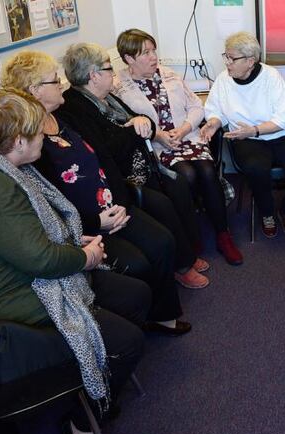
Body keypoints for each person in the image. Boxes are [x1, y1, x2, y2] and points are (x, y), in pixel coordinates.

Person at [0, 89, 149, 434]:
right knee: (129, 342)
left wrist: (77, 241)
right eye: (37, 130)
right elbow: (39, 258)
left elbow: (33, 236)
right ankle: (81, 422)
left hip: (28, 274)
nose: (45, 133)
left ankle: (91, 387)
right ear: (16, 141)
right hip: (12, 300)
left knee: (136, 295)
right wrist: (86, 257)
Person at [1, 50, 193, 336]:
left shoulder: (61, 118)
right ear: (35, 91)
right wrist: (97, 222)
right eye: (55, 81)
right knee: (138, 263)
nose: (62, 84)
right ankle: (140, 322)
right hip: (89, 225)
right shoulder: (28, 142)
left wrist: (120, 202)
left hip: (113, 204)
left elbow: (101, 158)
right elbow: (51, 203)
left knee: (163, 240)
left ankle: (163, 314)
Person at [55, 43, 210, 290]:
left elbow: (139, 120)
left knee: (178, 185)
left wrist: (140, 122)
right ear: (93, 75)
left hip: (140, 165)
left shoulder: (105, 98)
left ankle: (187, 253)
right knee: (165, 201)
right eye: (108, 69)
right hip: (123, 178)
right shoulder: (75, 107)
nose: (113, 74)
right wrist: (135, 129)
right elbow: (108, 148)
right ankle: (182, 265)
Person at [113, 28, 242, 265]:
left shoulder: (169, 74)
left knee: (207, 170)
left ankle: (223, 235)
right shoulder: (117, 86)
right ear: (129, 59)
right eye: (146, 53)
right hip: (156, 146)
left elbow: (196, 106)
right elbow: (124, 124)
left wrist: (183, 129)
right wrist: (158, 136)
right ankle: (190, 235)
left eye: (154, 51)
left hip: (188, 137)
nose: (154, 57)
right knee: (186, 175)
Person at [200, 31, 285, 238]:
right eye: (225, 56)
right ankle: (267, 212)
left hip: (281, 134)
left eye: (232, 58)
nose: (227, 62)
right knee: (256, 169)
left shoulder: (271, 76)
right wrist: (213, 123)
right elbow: (216, 110)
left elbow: (281, 119)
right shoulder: (223, 80)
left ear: (250, 60)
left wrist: (253, 130)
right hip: (246, 139)